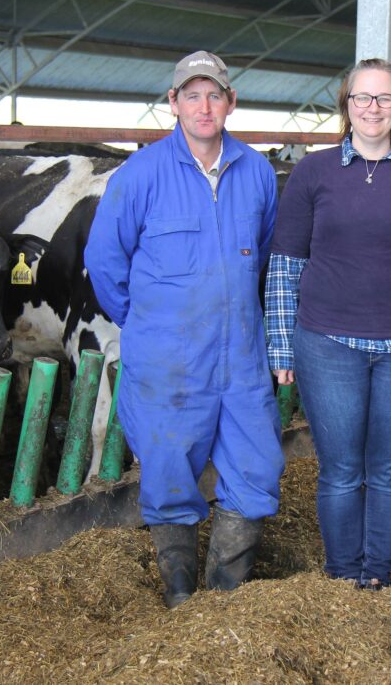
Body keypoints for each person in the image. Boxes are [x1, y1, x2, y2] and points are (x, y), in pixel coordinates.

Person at [85, 51, 283, 608]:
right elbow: (103, 262)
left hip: (241, 357)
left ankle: (223, 595)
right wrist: (145, 323)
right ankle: (178, 595)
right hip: (169, 361)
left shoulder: (258, 172)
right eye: (191, 95)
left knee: (257, 468)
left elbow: (261, 255)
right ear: (172, 103)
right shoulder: (140, 174)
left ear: (231, 102)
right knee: (170, 470)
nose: (204, 106)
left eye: (214, 94)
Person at [265, 58, 391, 590]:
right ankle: (340, 575)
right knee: (339, 470)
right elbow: (286, 265)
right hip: (328, 342)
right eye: (362, 98)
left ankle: (377, 575)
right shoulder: (313, 172)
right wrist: (282, 348)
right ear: (346, 105)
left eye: (384, 99)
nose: (372, 108)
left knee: (388, 470)